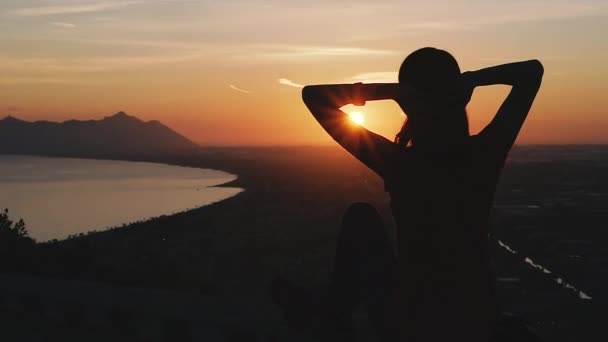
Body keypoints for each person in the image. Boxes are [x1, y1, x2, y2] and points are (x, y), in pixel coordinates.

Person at [272, 47, 544, 342]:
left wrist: (394, 92)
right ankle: (331, 311)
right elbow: (531, 73)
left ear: (410, 103)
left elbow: (314, 97)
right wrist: (471, 80)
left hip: (409, 321)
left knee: (361, 217)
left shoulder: (398, 162)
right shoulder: (484, 154)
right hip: (476, 318)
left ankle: (335, 314)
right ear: (458, 98)